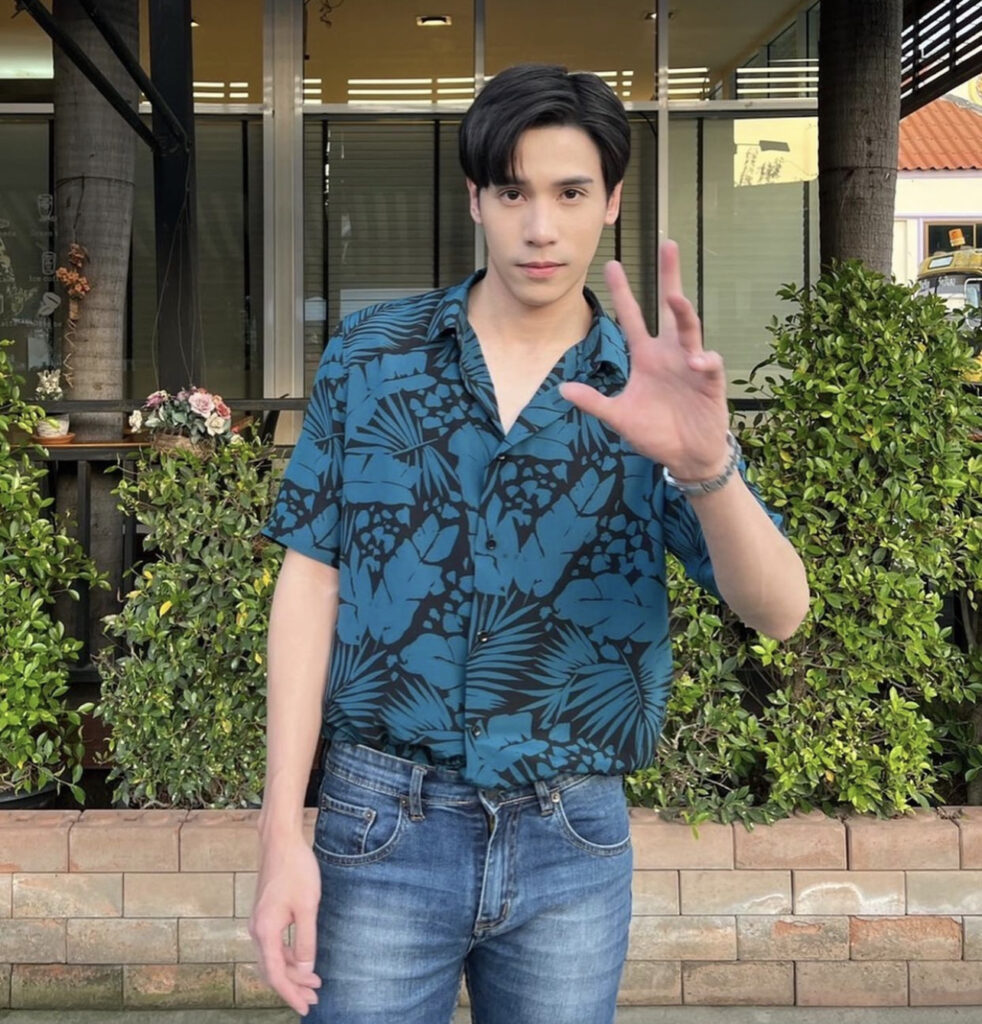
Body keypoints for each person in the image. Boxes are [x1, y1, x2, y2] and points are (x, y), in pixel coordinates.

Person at [249, 63, 809, 1024]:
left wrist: (706, 462)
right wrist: (278, 835)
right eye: (513, 193)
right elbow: (310, 584)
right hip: (381, 823)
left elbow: (781, 610)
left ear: (612, 200)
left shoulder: (647, 385)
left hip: (570, 837)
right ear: (475, 198)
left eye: (571, 193)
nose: (540, 227)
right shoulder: (373, 358)